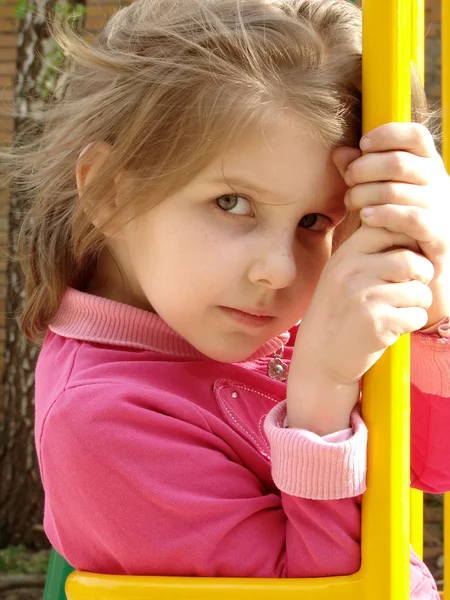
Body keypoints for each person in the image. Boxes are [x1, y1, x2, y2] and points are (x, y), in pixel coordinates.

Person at [2, 0, 449, 597]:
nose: (278, 268)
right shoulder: (102, 421)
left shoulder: (251, 315)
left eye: (314, 220)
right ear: (111, 192)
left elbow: (434, 460)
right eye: (232, 203)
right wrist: (320, 400)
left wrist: (434, 303)